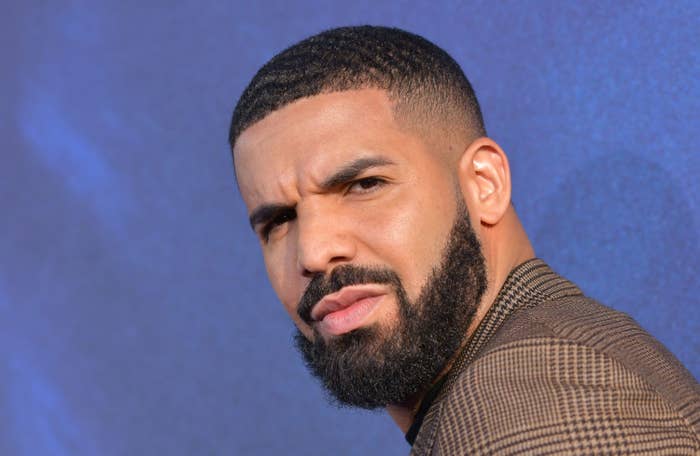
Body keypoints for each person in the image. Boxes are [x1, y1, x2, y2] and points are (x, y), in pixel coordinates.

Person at [228, 26, 700, 454]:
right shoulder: (560, 363)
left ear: (484, 184)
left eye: (364, 185)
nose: (312, 252)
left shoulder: (524, 406)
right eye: (279, 222)